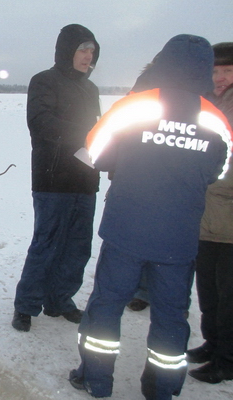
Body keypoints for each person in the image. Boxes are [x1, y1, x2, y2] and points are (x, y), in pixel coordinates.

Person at [68, 34, 232, 399]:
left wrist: (126, 161)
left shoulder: (136, 105)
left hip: (127, 227)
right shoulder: (217, 117)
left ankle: (95, 378)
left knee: (107, 305)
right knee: (173, 315)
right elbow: (217, 172)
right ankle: (162, 388)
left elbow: (93, 152)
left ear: (163, 62)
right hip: (179, 236)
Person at [12, 24, 101, 331]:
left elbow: (99, 130)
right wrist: (85, 137)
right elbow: (41, 123)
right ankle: (26, 305)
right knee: (46, 243)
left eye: (92, 50)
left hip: (86, 179)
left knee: (78, 245)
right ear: (67, 52)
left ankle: (60, 299)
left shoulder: (91, 89)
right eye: (82, 50)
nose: (88, 56)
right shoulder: (44, 81)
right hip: (53, 178)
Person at [186, 42, 233, 384]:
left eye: (227, 70)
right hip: (205, 213)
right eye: (214, 70)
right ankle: (212, 343)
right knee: (208, 288)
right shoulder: (206, 103)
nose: (219, 77)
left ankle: (228, 358)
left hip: (229, 213)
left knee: (230, 292)